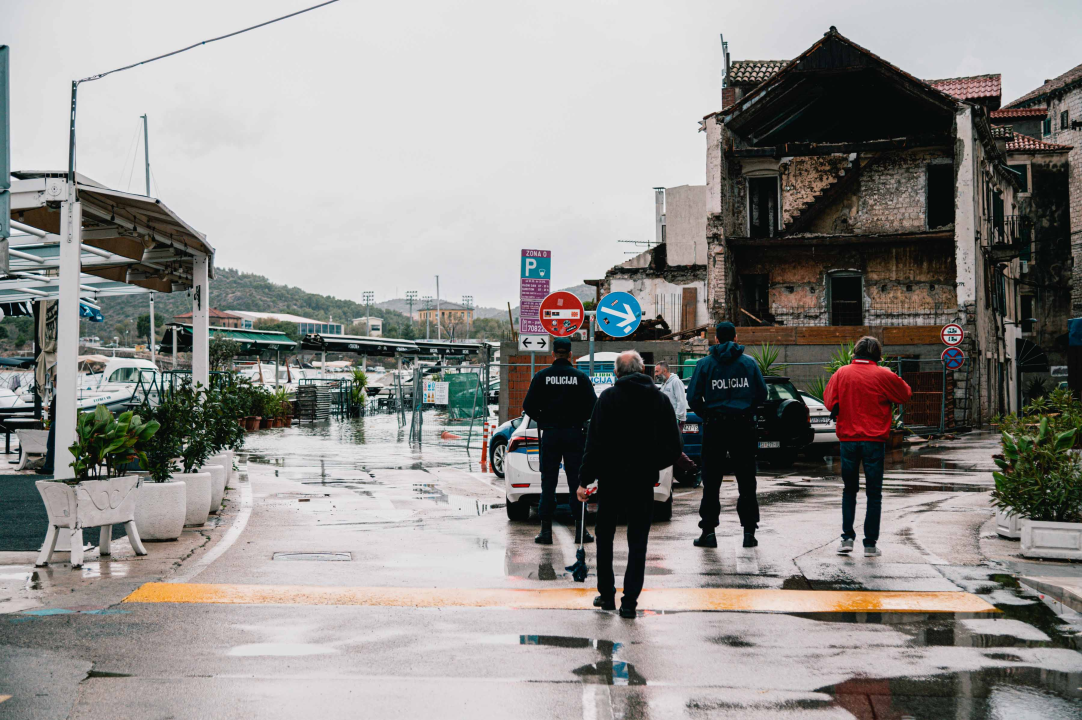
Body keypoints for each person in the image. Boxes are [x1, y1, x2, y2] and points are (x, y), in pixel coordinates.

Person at [578, 350, 682, 618]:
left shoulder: (608, 399)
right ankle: (629, 604)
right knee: (638, 541)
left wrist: (584, 480)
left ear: (617, 374)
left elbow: (594, 443)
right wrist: (651, 464)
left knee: (605, 537)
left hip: (611, 481)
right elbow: (674, 447)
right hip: (642, 482)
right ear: (644, 369)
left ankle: (607, 595)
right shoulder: (659, 400)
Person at [823, 335, 911, 557]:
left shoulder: (841, 373)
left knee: (849, 490)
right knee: (874, 493)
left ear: (855, 352)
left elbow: (828, 400)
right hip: (874, 441)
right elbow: (905, 394)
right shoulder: (884, 375)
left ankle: (846, 539)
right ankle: (870, 544)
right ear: (877, 355)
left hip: (848, 440)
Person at [686, 322, 768, 549]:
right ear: (736, 337)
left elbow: (693, 398)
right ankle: (749, 533)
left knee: (711, 481)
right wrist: (746, 410)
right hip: (743, 427)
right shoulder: (749, 363)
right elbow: (762, 394)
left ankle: (709, 532)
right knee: (746, 480)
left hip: (715, 427)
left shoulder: (704, 365)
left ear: (715, 339)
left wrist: (708, 414)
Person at [522, 336, 597, 545]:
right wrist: (578, 419)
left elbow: (528, 407)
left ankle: (546, 532)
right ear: (570, 354)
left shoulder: (541, 376)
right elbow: (593, 406)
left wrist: (544, 419)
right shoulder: (580, 377)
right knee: (577, 482)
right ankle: (581, 531)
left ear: (553, 354)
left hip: (551, 434)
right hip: (574, 434)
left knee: (548, 482)